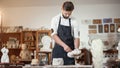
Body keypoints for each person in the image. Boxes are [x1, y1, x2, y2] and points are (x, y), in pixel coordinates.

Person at [51, 1, 80, 65]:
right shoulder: (55, 19)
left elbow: (76, 37)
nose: (67, 15)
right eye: (65, 13)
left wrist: (76, 49)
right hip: (58, 51)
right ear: (62, 9)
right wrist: (64, 46)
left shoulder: (74, 20)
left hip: (70, 52)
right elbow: (54, 35)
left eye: (69, 14)